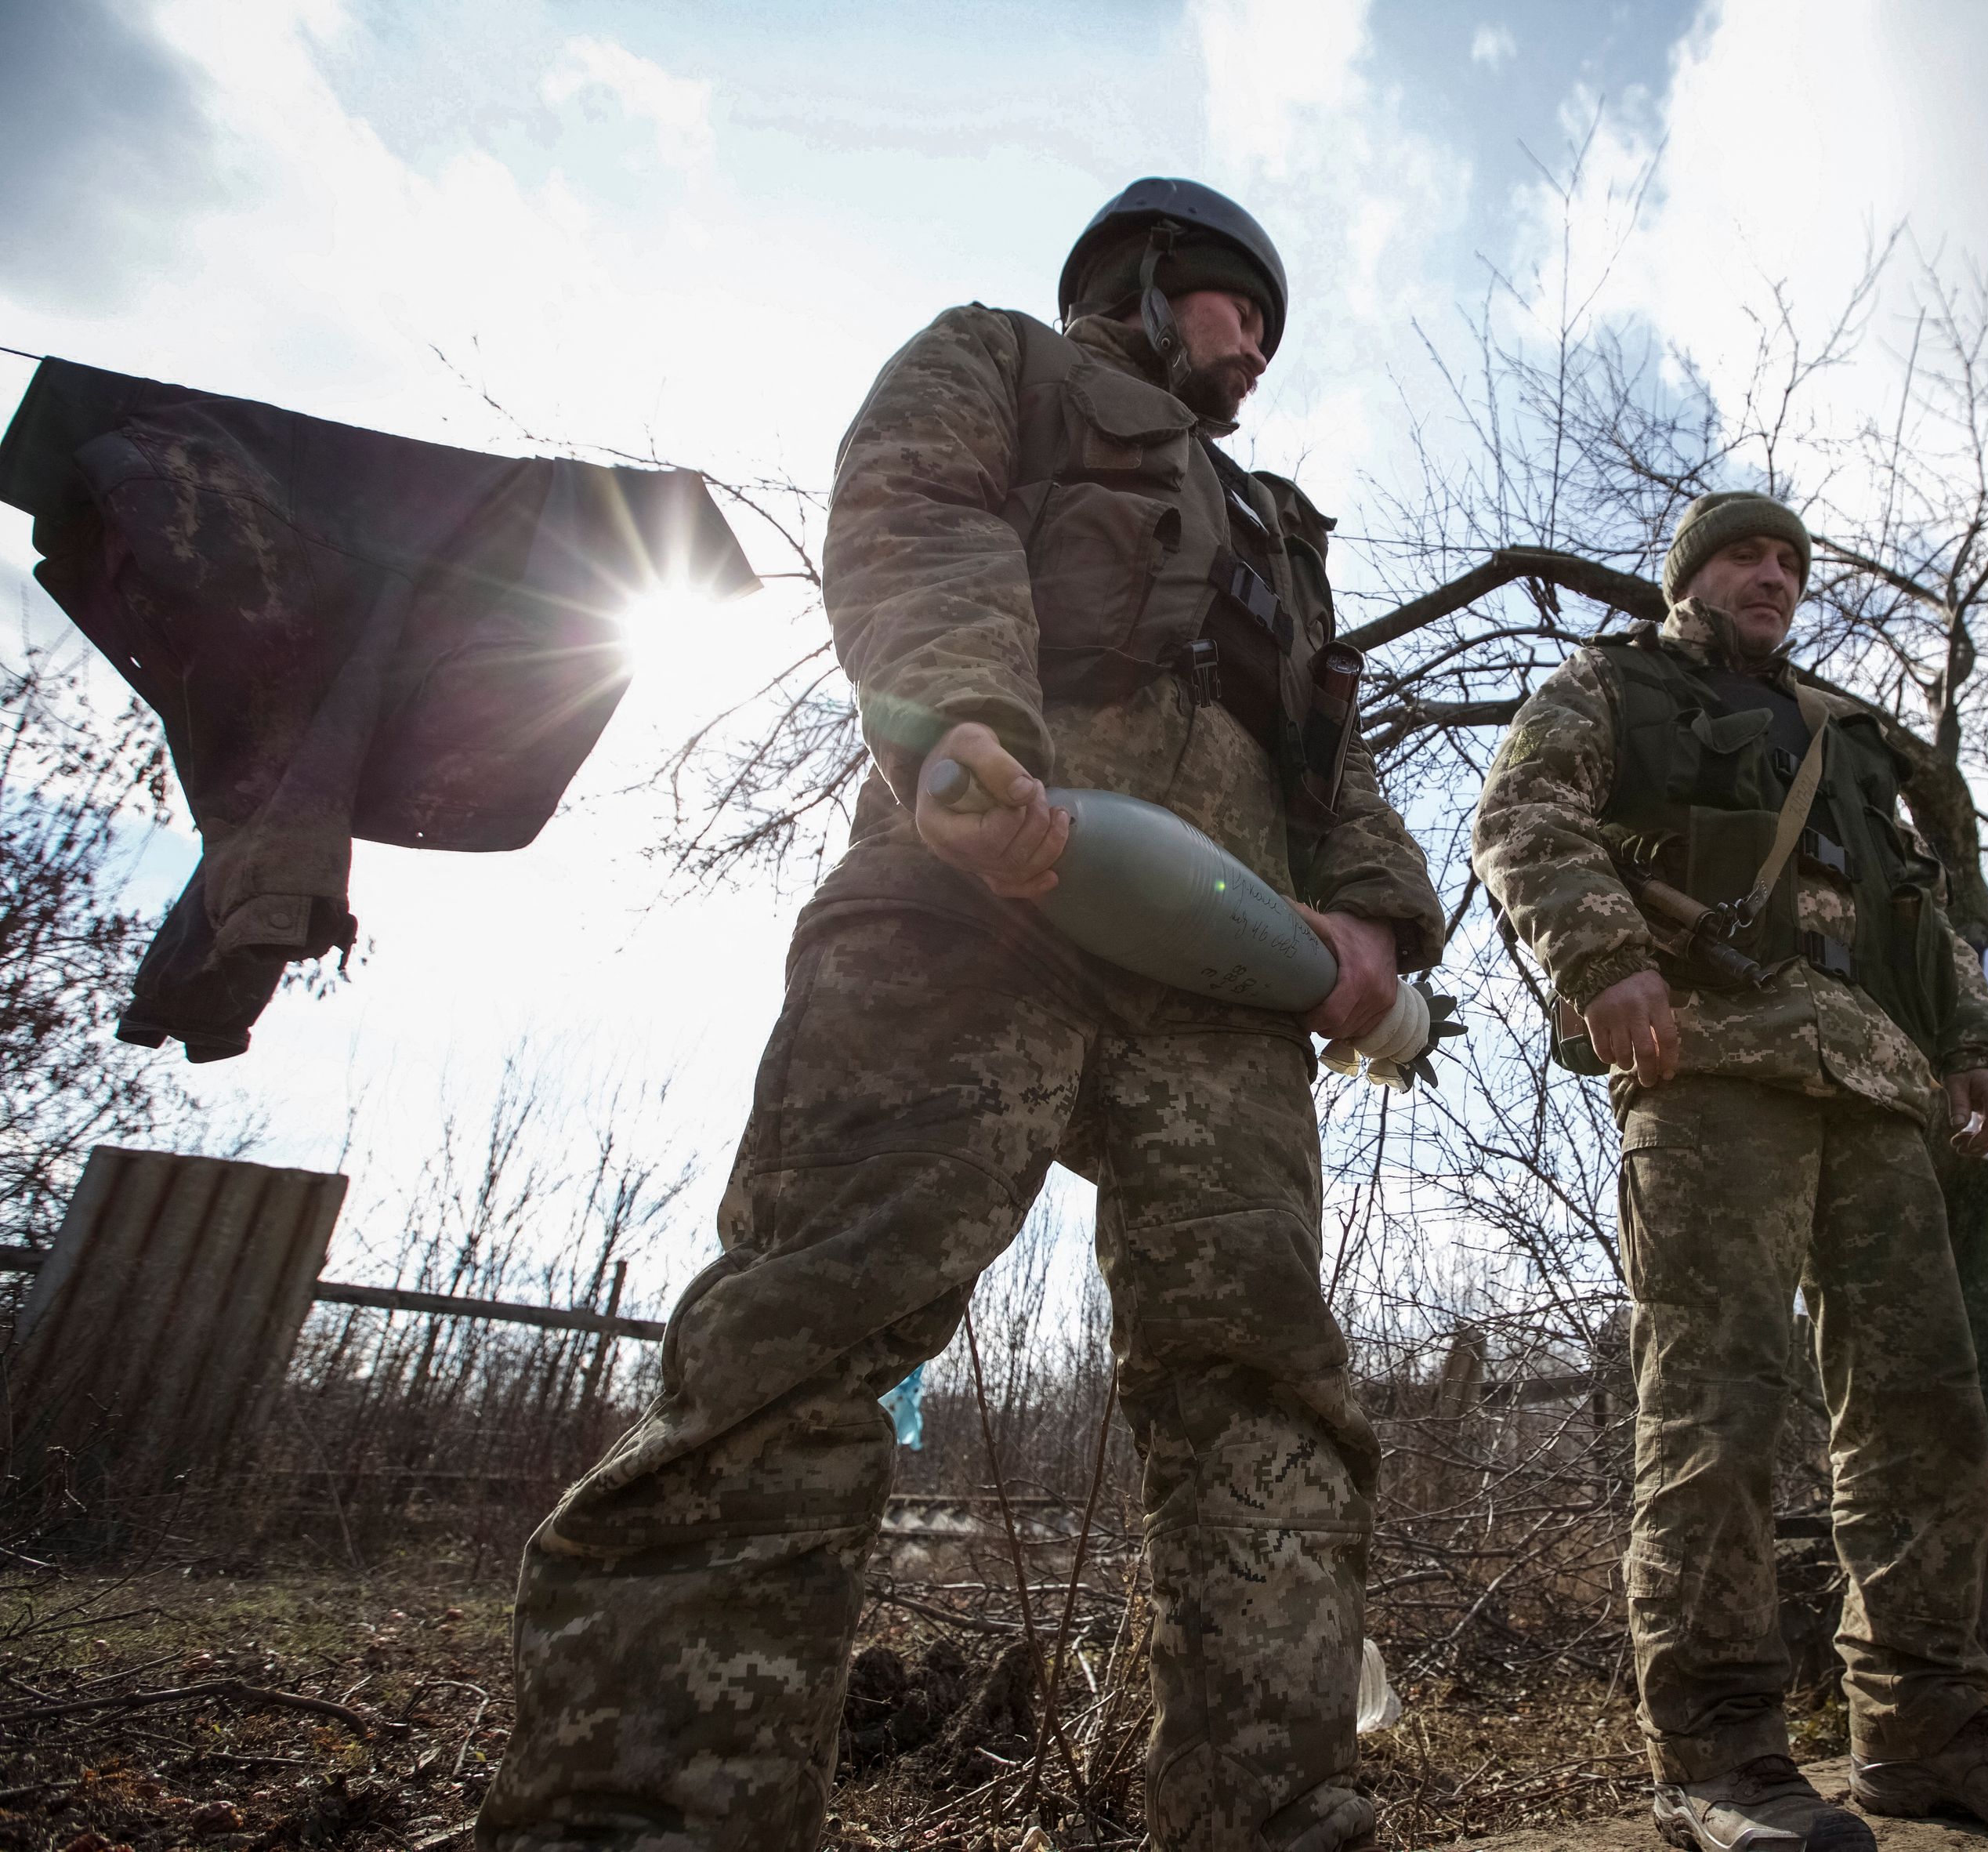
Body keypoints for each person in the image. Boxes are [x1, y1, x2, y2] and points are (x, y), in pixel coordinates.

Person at [479, 178, 1445, 1852]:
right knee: (813, 1313)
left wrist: (1371, 921)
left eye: (1275, 333)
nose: (1259, 350)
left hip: (1219, 975)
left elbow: (1329, 747)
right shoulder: (999, 362)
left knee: (1264, 1369)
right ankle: (645, 1809)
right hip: (980, 886)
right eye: (1241, 312)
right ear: (1152, 282)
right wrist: (966, 726)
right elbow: (919, 511)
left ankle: (1274, 1797)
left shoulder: (1283, 530)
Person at [1471, 491, 1988, 1847]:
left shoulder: (1849, 740)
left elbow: (1925, 913)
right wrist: (1606, 959)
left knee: (1922, 1409)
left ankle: (1925, 1726)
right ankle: (1716, 1753)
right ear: (1688, 575)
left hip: (1881, 1094)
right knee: (1713, 1404)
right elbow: (1523, 814)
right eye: (1741, 554)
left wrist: (1975, 1047)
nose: (1771, 576)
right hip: (1706, 1067)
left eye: (1788, 560)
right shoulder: (1614, 683)